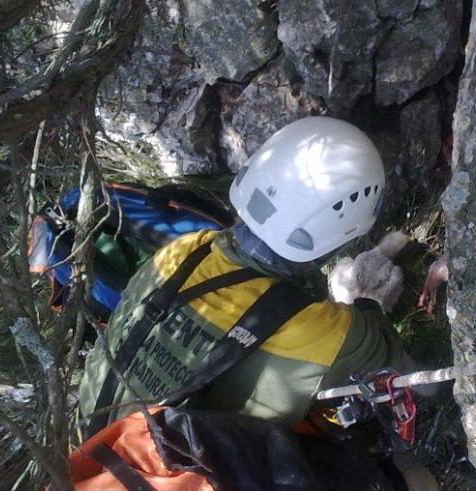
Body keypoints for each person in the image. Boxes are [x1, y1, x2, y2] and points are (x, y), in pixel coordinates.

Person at [76, 116, 419, 443]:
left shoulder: (183, 251)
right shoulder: (325, 333)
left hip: (88, 459)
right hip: (175, 474)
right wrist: (367, 303)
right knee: (415, 479)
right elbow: (420, 383)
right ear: (341, 238)